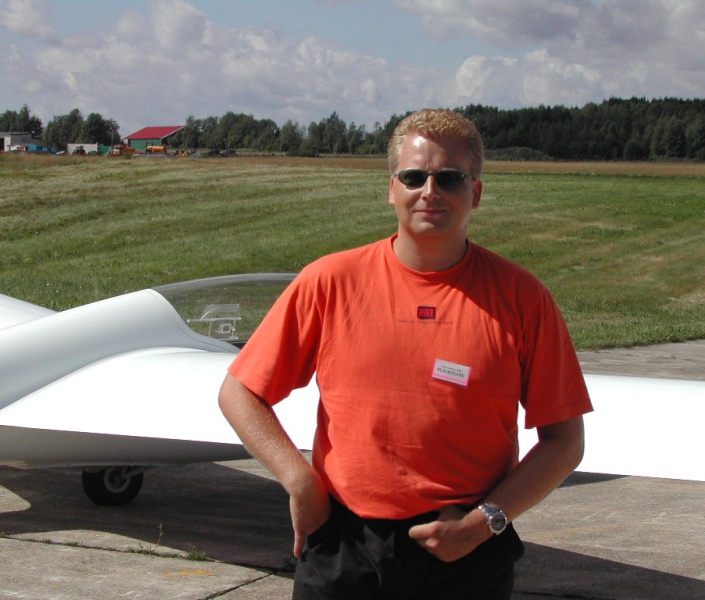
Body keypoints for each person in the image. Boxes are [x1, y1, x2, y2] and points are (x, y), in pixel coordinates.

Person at [219, 108, 592, 599]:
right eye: (414, 177)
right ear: (392, 189)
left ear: (476, 192)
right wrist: (299, 480)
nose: (430, 192)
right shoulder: (329, 281)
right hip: (343, 542)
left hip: (465, 550)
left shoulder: (522, 297)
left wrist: (486, 522)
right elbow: (239, 393)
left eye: (450, 178)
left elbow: (564, 441)